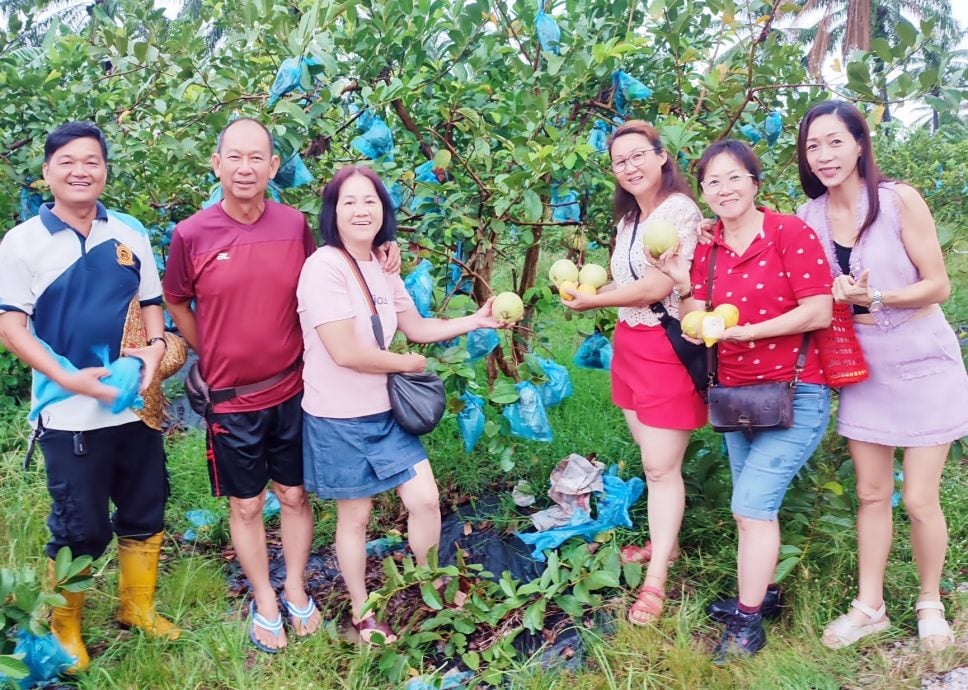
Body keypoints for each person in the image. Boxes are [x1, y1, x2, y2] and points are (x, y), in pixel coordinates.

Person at [163, 119, 401, 653]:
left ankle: (295, 588)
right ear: (216, 163)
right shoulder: (190, 235)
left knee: (293, 496)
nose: (245, 168)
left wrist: (387, 252)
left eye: (258, 159)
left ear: (274, 167)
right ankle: (264, 597)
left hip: (295, 390)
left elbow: (340, 261)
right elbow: (176, 300)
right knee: (247, 505)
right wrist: (211, 349)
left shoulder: (294, 225)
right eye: (235, 157)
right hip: (231, 400)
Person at [296, 165, 505, 643]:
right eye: (348, 201)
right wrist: (406, 364)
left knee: (425, 498)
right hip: (338, 417)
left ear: (383, 211)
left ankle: (430, 581)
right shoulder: (323, 267)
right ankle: (361, 611)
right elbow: (345, 352)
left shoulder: (381, 264)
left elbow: (417, 327)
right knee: (356, 518)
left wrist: (475, 321)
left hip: (385, 413)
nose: (360, 210)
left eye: (369, 200)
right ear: (333, 213)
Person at [0, 121, 179, 672]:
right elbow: (12, 328)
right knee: (80, 526)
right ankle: (66, 627)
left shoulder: (129, 233)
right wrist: (73, 379)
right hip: (67, 411)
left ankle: (137, 609)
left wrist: (151, 351)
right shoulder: (22, 243)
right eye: (69, 162)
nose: (82, 171)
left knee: (145, 507)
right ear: (49, 171)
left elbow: (152, 300)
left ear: (105, 169)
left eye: (93, 161)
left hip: (132, 407)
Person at [796, 101, 968, 652]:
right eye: (813, 146)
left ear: (860, 144)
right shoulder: (809, 217)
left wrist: (875, 295)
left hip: (922, 360)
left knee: (919, 498)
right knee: (871, 493)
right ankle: (870, 606)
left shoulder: (897, 202)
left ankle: (929, 602)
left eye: (834, 142)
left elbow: (938, 285)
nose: (823, 155)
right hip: (862, 365)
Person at [657, 139, 832, 662]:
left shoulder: (789, 233)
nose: (724, 189)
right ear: (704, 192)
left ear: (756, 182)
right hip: (736, 395)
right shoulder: (709, 248)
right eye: (713, 181)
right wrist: (681, 285)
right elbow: (701, 318)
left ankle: (748, 621)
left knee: (751, 506)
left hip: (797, 391)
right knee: (750, 511)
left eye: (735, 177)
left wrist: (746, 333)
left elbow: (818, 311)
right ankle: (764, 593)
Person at [559, 120, 707, 625]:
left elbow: (652, 287)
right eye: (619, 161)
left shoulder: (680, 211)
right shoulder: (628, 222)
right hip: (630, 345)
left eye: (638, 155)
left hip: (666, 346)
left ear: (662, 156)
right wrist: (591, 291)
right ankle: (667, 545)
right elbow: (626, 287)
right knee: (654, 463)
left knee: (662, 468)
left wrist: (591, 301)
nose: (629, 167)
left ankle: (657, 580)